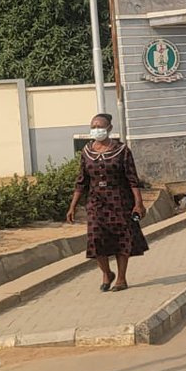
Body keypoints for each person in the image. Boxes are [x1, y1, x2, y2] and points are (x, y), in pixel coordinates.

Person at [66, 114, 147, 293]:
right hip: (96, 202)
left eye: (100, 126)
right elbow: (81, 181)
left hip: (119, 200)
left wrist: (138, 203)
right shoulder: (87, 152)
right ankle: (106, 273)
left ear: (109, 128)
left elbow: (132, 179)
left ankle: (121, 278)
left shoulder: (122, 150)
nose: (96, 129)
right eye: (93, 126)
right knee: (95, 238)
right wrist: (72, 206)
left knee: (121, 239)